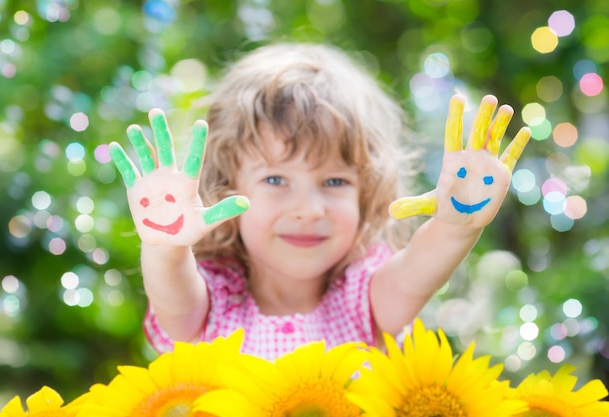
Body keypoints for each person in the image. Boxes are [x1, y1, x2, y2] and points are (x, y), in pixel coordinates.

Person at [109, 42, 530, 360]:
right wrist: (165, 244)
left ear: (367, 194)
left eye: (334, 181)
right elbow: (173, 296)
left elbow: (418, 272)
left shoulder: (363, 299)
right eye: (276, 178)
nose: (309, 209)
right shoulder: (213, 302)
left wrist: (456, 224)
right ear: (224, 188)